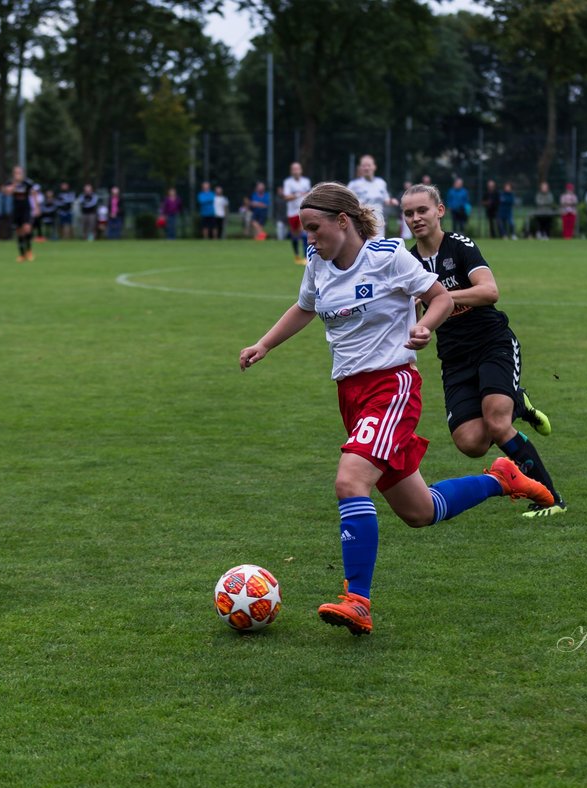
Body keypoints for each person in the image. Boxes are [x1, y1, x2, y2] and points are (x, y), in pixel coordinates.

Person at [237, 182, 556, 635]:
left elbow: (441, 296)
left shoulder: (388, 256)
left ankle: (358, 600)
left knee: (350, 481)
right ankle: (500, 479)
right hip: (351, 395)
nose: (309, 237)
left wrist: (425, 326)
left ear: (342, 222)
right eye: (305, 229)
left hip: (392, 388)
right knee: (420, 511)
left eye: (315, 228)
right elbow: (305, 307)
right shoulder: (317, 264)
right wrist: (264, 344)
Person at [402, 182, 563, 518]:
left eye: (422, 210)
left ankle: (551, 499)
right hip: (454, 356)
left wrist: (439, 297)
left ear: (439, 211)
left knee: (497, 421)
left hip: (492, 343)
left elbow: (490, 291)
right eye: (408, 213)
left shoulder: (459, 246)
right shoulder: (406, 260)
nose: (415, 218)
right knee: (471, 442)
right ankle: (519, 401)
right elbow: (411, 315)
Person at [347, 154, 397, 236]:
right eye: (364, 166)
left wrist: (392, 201)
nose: (366, 168)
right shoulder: (354, 185)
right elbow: (346, 200)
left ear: (374, 167)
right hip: (363, 222)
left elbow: (386, 200)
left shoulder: (381, 183)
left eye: (369, 165)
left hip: (379, 222)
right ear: (360, 168)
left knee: (379, 246)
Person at [4, 165, 39, 261]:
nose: (17, 174)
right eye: (16, 173)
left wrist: (36, 207)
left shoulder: (28, 182)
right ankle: (22, 254)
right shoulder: (10, 182)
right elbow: (7, 192)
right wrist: (15, 184)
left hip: (25, 207)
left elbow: (34, 193)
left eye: (19, 172)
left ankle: (29, 251)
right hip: (16, 208)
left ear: (22, 173)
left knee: (27, 228)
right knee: (19, 231)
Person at [280, 161, 312, 264]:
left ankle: (306, 257)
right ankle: (297, 256)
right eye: (294, 169)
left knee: (303, 233)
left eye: (297, 169)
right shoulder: (288, 182)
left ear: (301, 170)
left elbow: (309, 194)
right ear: (291, 171)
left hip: (302, 211)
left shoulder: (306, 181)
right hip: (291, 212)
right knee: (294, 236)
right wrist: (298, 194)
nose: (296, 171)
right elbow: (286, 197)